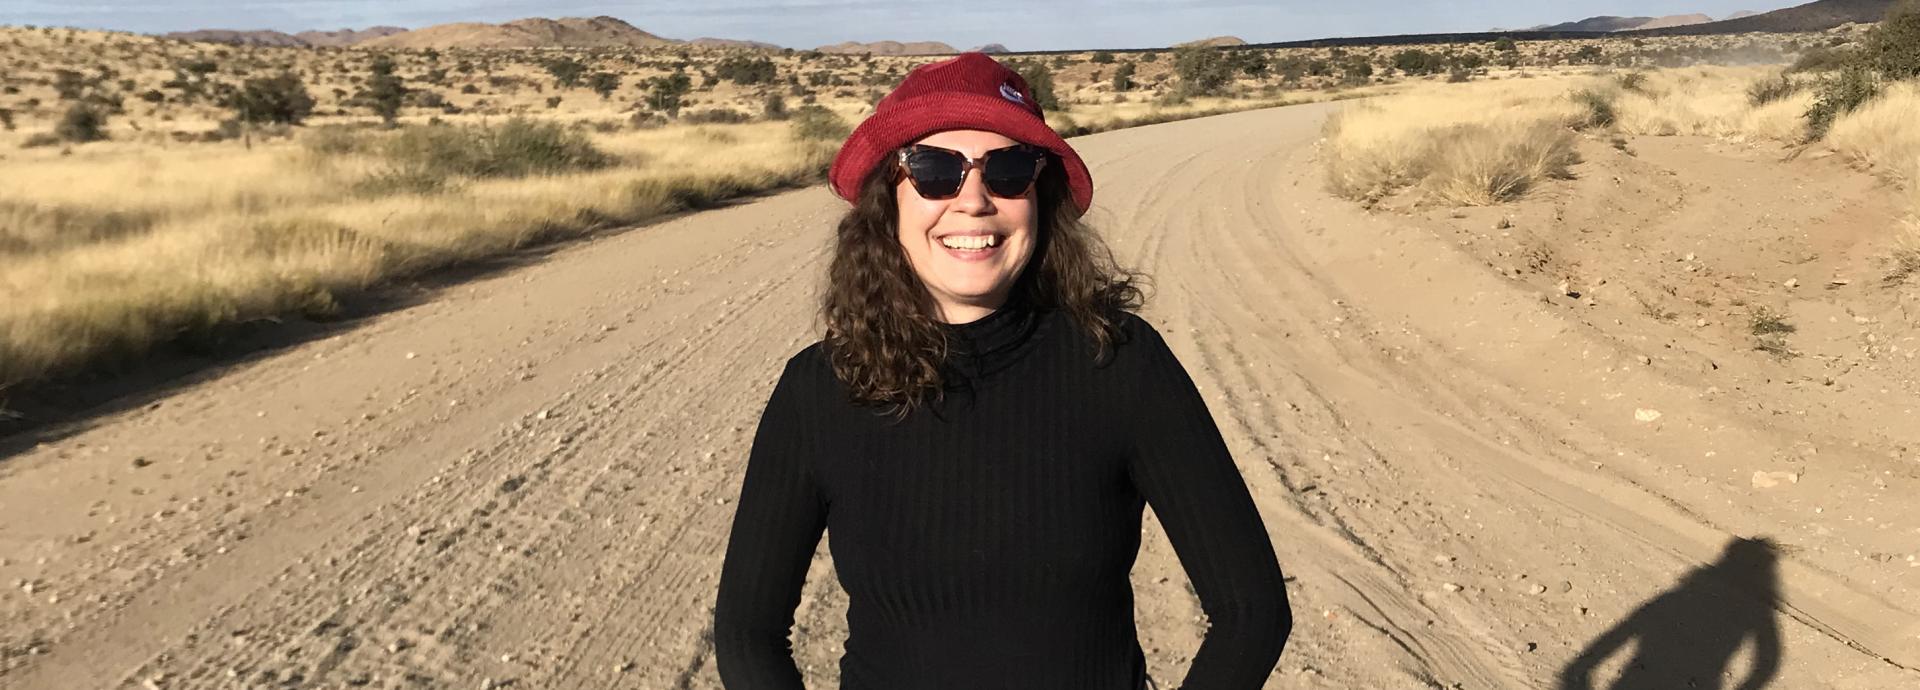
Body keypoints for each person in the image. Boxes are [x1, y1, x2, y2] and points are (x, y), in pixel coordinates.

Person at [713, 52, 1291, 690]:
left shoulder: (1118, 360)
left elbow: (1251, 611)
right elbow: (748, 632)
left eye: (1010, 171)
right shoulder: (820, 389)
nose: (975, 201)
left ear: (1039, 197)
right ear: (889, 201)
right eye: (934, 171)